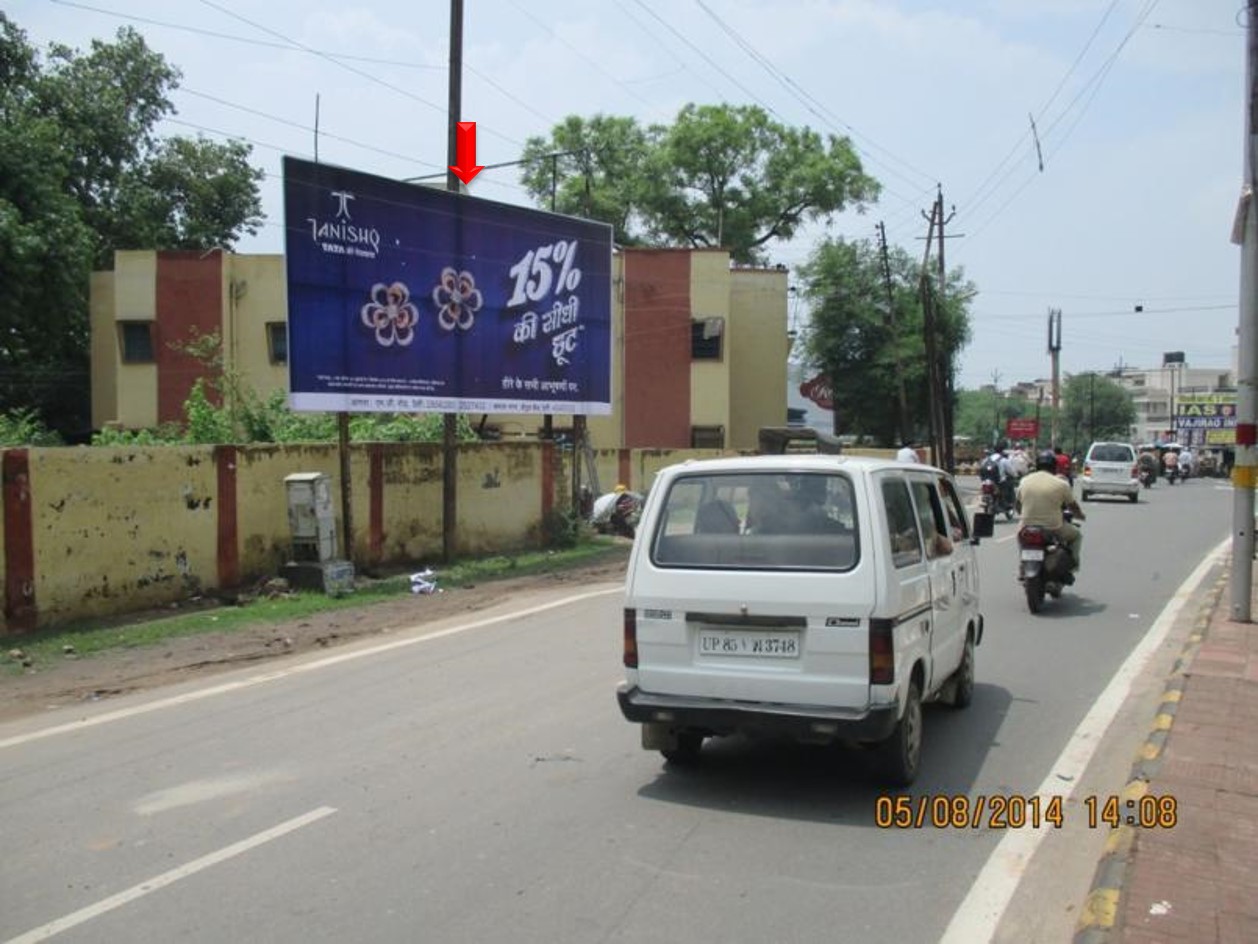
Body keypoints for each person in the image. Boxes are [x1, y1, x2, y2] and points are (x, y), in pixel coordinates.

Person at [1017, 449, 1086, 573]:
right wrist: (1080, 516)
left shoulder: (1024, 481)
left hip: (1027, 525)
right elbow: (1073, 506)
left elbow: (1017, 505)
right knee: (1076, 536)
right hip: (1053, 527)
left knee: (1020, 536)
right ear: (1054, 466)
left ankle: (1022, 564)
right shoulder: (1061, 484)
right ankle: (1073, 566)